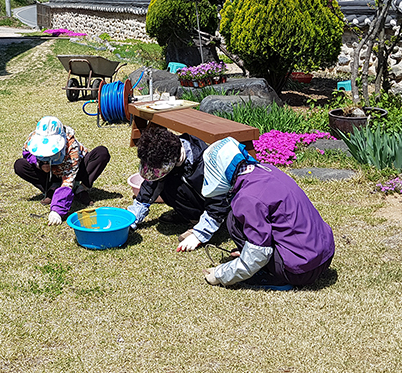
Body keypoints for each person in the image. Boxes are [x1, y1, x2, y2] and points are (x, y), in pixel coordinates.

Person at [200, 137, 335, 289]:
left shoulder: (247, 197)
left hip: (302, 269)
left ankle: (274, 277)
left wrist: (221, 274)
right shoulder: (266, 170)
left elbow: (259, 253)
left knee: (233, 221)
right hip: (324, 256)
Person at [128, 124, 229, 252]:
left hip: (215, 204)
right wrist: (131, 219)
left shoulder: (204, 163)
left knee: (176, 184)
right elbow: (149, 187)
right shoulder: (166, 150)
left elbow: (219, 202)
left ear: (172, 160)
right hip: (194, 196)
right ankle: (186, 215)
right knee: (163, 181)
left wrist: (199, 235)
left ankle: (197, 222)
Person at [14, 116, 109, 226]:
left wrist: (57, 211)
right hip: (49, 173)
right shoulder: (33, 138)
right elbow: (26, 153)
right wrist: (39, 164)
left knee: (101, 153)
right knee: (20, 165)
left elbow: (68, 181)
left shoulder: (71, 146)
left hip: (75, 171)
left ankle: (80, 188)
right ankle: (51, 187)